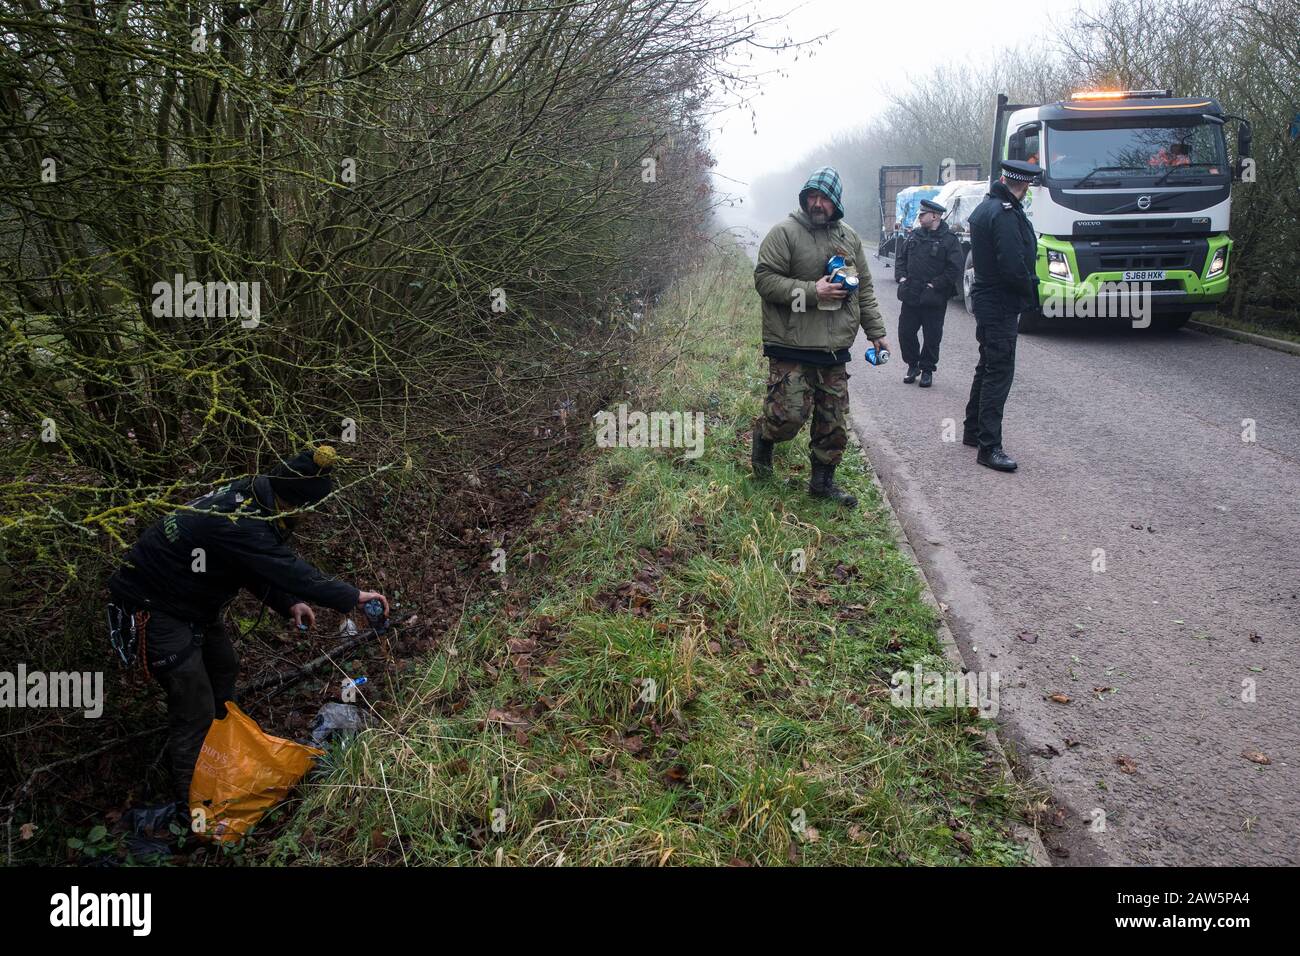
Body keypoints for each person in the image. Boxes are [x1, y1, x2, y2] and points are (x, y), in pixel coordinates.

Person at [107, 445, 389, 806]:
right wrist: (354, 596)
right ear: (295, 503)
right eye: (310, 510)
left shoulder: (257, 498)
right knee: (194, 700)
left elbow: (249, 564)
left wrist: (288, 603)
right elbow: (288, 569)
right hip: (154, 606)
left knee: (224, 666)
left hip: (193, 604)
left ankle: (222, 757)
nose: (310, 518)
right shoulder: (241, 518)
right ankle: (196, 803)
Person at [752, 166, 892, 507]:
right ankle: (763, 443)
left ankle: (822, 484)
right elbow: (765, 280)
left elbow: (865, 290)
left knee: (833, 423)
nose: (817, 204)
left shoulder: (849, 238)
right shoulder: (784, 233)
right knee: (787, 418)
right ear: (804, 199)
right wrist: (812, 291)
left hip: (833, 348)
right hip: (791, 343)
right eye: (812, 197)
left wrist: (877, 333)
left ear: (836, 203)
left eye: (824, 199)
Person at [962, 159, 1042, 472]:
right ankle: (989, 447)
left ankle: (972, 431)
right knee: (999, 371)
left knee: (987, 365)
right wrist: (1030, 292)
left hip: (987, 298)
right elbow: (1012, 265)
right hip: (1000, 301)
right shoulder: (1005, 214)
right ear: (1023, 187)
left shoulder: (987, 207)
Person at [896, 198, 964, 387]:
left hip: (933, 297)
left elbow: (954, 268)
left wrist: (936, 285)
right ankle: (912, 365)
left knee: (932, 336)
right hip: (911, 294)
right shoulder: (914, 236)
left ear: (934, 216)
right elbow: (901, 258)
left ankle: (927, 370)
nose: (920, 217)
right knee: (905, 332)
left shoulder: (949, 240)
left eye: (922, 214)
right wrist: (901, 277)